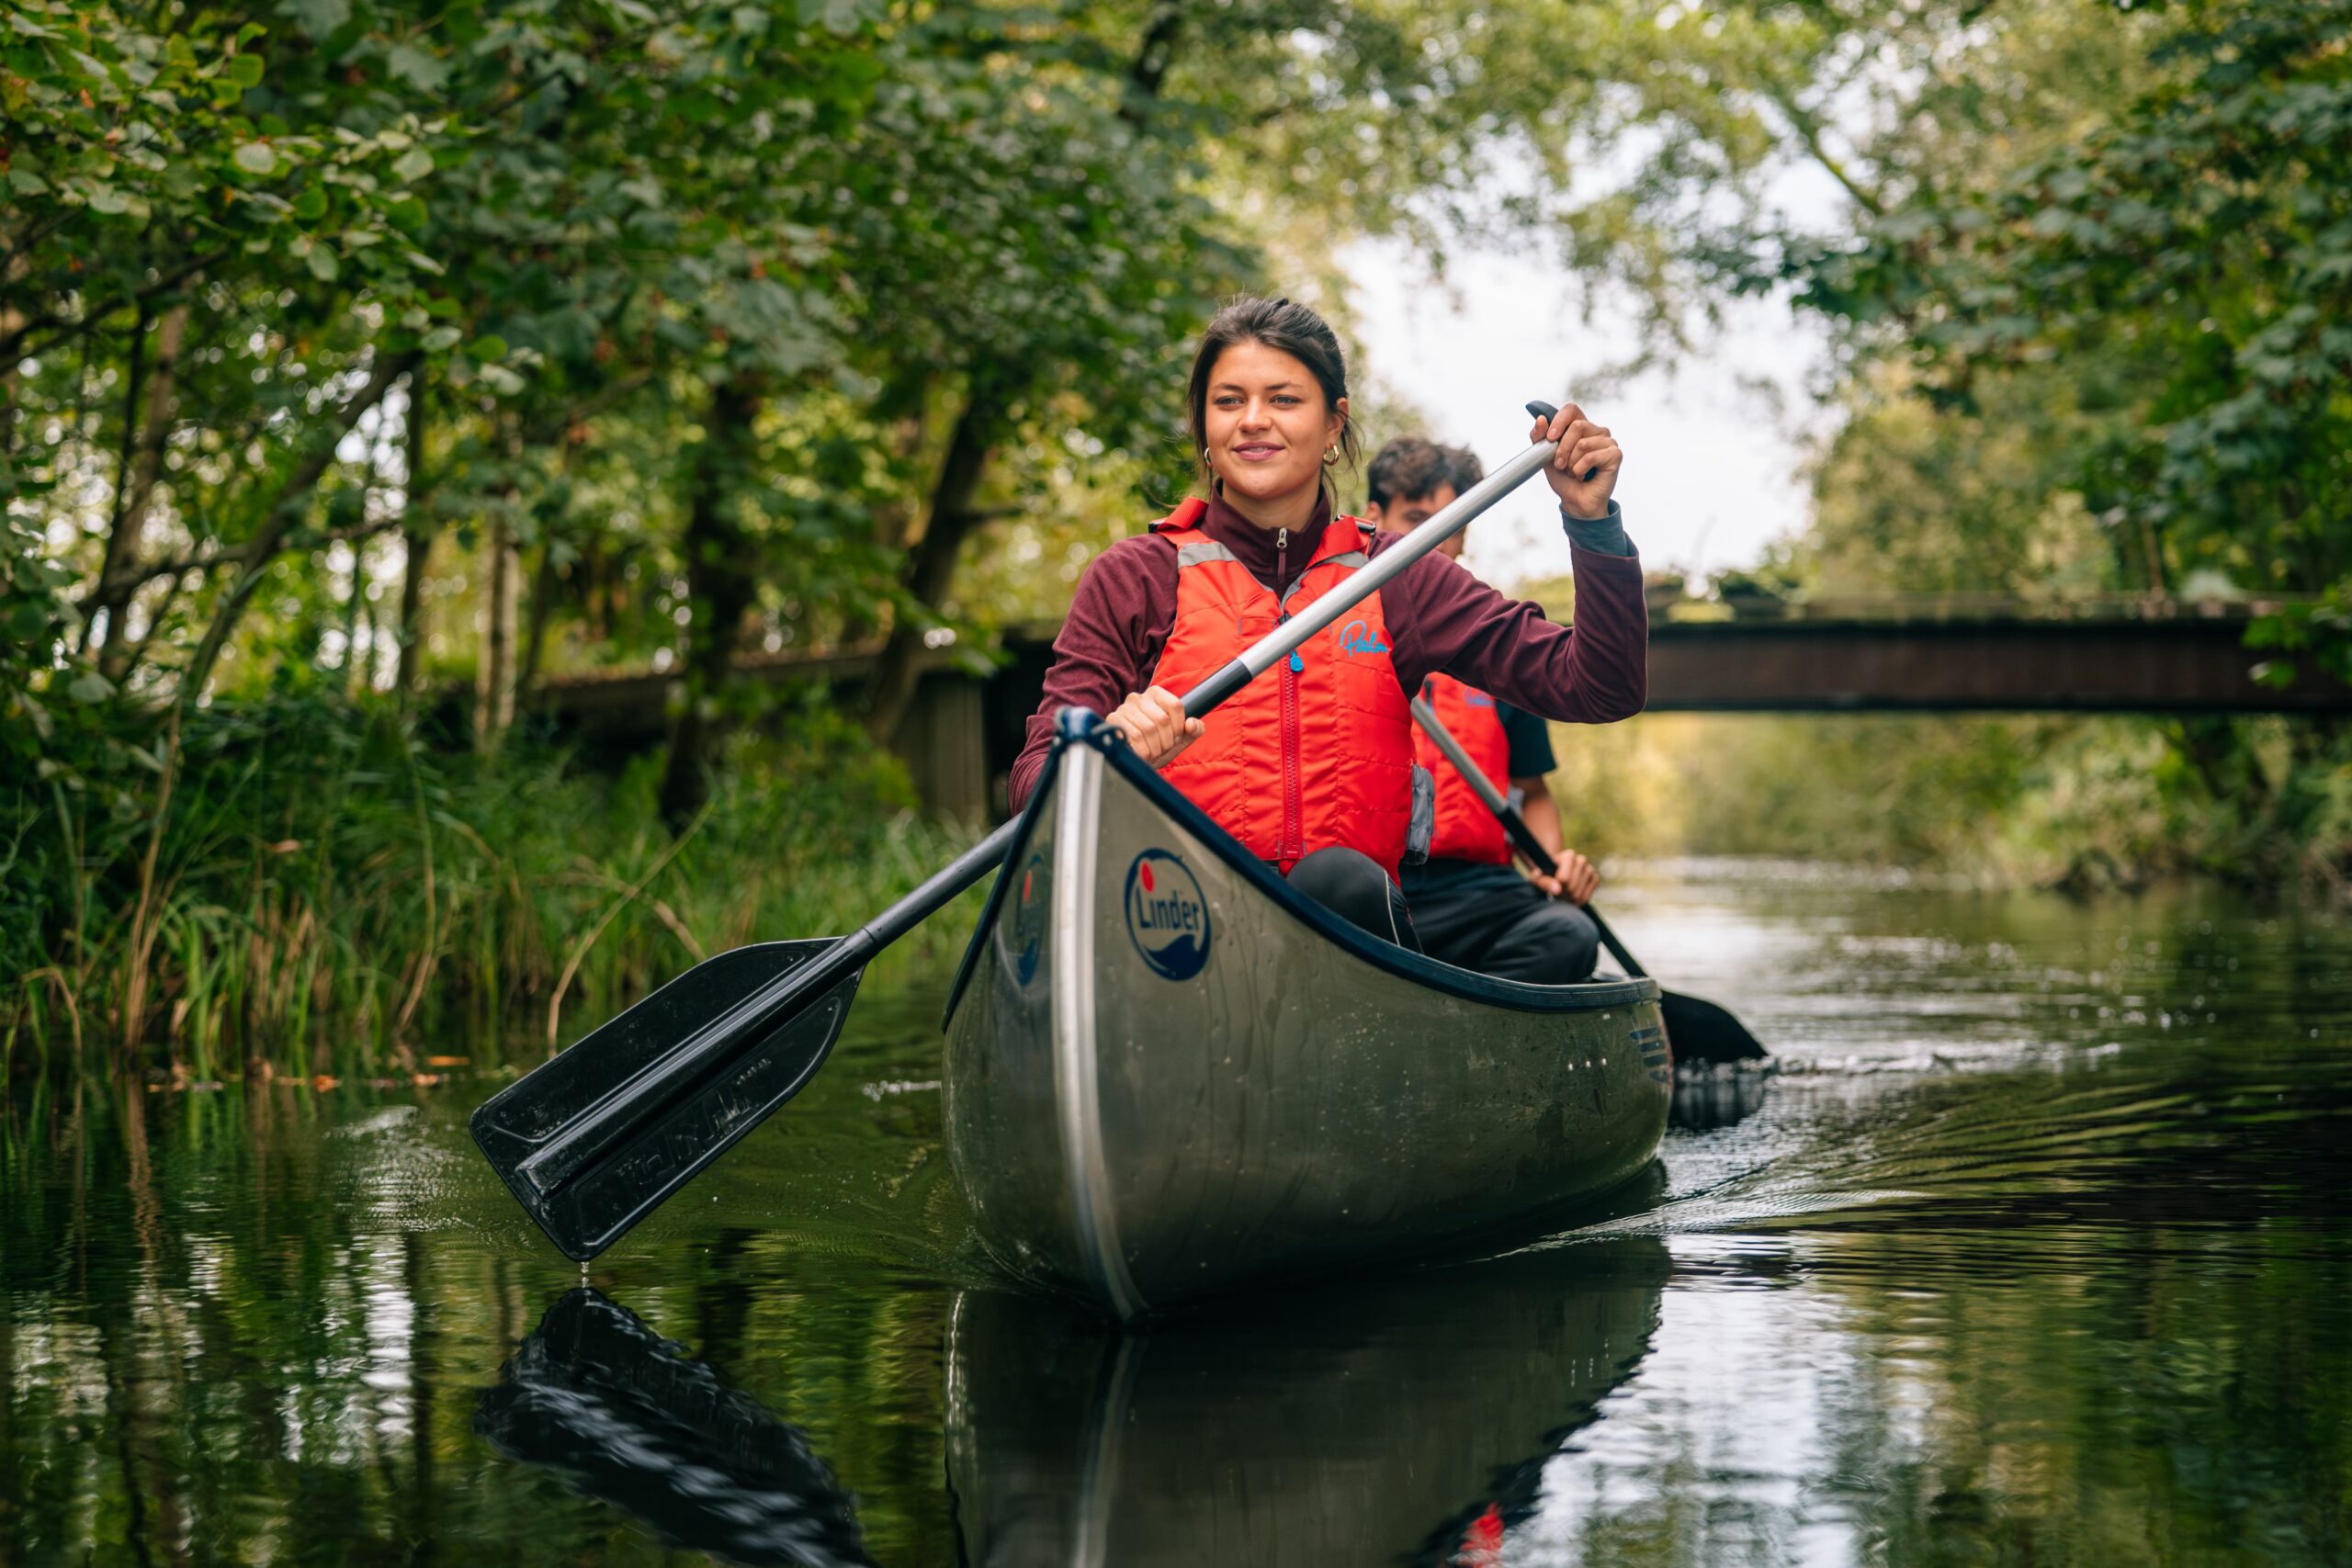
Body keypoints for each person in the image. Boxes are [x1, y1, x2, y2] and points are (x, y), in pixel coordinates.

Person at [1007, 296, 1646, 947]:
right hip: (1182, 929)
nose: (1253, 421)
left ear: (1334, 422)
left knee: (1341, 878)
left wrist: (1592, 525)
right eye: (1229, 401)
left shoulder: (1398, 573)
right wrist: (1094, 757)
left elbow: (1599, 687)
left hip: (1347, 932)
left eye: (1283, 400)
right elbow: (1033, 787)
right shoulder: (1134, 576)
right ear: (1204, 422)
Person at [1364, 436, 1604, 983]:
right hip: (1377, 889)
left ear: (1465, 535)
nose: (1430, 540)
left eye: (1448, 523)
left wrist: (1552, 868)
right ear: (1373, 519)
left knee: (1569, 934)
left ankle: (1471, 1005)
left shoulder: (1494, 645)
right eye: (1415, 519)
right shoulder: (1324, 629)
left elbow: (1534, 793)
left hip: (1480, 896)